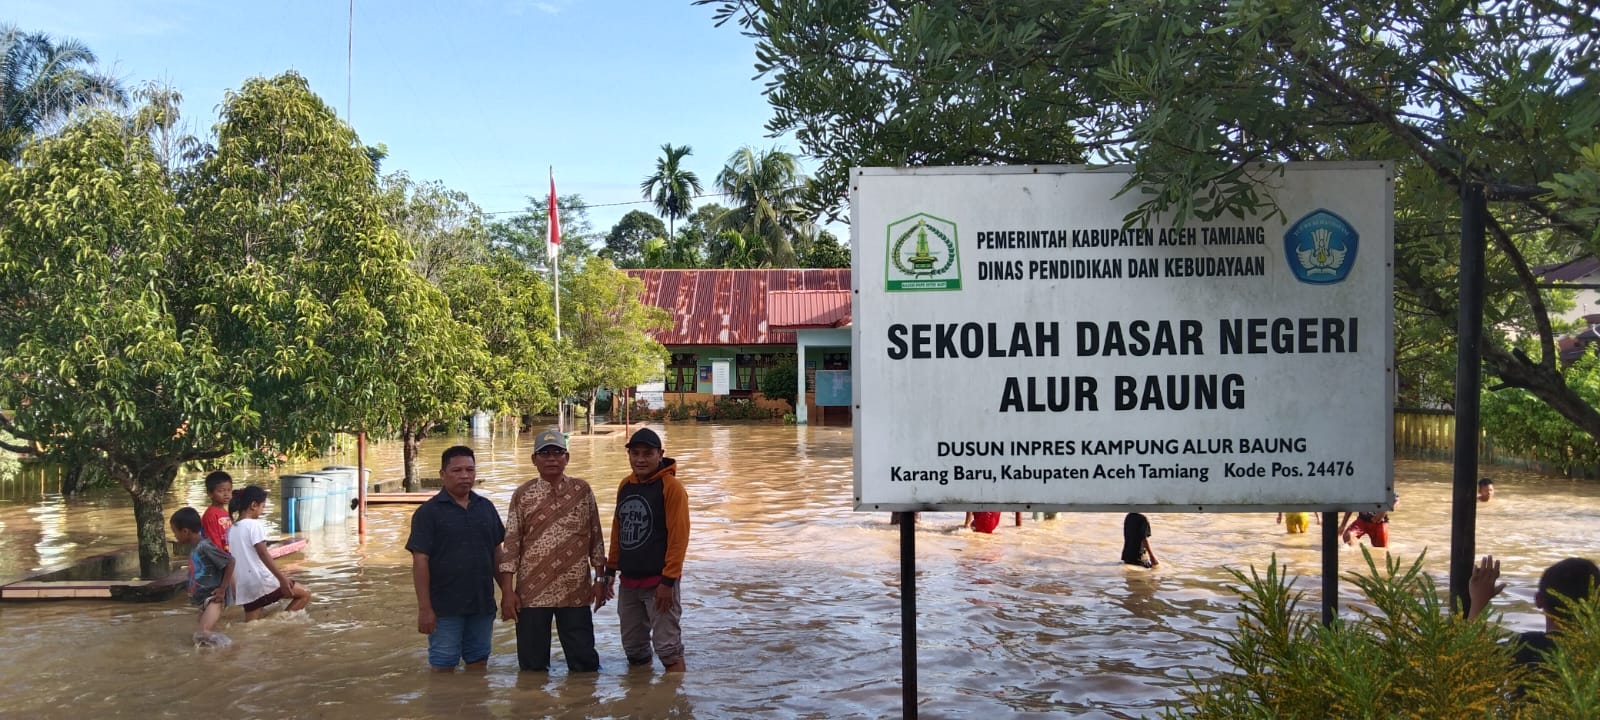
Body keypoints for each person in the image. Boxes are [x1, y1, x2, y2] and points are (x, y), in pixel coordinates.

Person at [497, 428, 607, 673]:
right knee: (532, 669)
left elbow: (596, 539)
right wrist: (507, 591)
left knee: (585, 666)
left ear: (567, 458)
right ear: (534, 460)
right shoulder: (523, 495)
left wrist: (600, 580)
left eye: (557, 453)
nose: (551, 459)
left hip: (575, 591)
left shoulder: (582, 491)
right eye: (544, 453)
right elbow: (511, 544)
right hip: (532, 593)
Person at [407, 445, 506, 672]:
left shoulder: (486, 508)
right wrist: (425, 609)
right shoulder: (428, 513)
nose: (465, 476)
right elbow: (420, 562)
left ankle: (475, 707)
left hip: (482, 604)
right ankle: (444, 707)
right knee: (443, 667)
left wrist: (508, 592)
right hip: (444, 608)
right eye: (457, 470)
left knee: (479, 663)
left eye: (470, 470)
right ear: (442, 474)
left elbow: (497, 553)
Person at [605, 427, 690, 673]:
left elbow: (679, 537)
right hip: (629, 583)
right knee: (634, 648)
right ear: (629, 455)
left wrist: (668, 582)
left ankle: (674, 699)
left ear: (660, 454)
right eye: (635, 453)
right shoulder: (625, 485)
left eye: (647, 454)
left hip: (659, 584)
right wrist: (610, 571)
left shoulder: (671, 487)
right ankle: (642, 700)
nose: (640, 459)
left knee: (668, 649)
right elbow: (618, 529)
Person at [1467, 555, 1600, 666]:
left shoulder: (1527, 647)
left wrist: (1479, 602)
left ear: (1539, 600)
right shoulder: (1593, 654)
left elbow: (1475, 662)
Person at [226, 485, 312, 621]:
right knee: (305, 594)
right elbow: (263, 554)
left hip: (245, 586)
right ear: (254, 505)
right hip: (262, 581)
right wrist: (282, 578)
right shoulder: (254, 525)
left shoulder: (232, 529)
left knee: (252, 626)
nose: (262, 511)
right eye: (262, 507)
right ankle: (278, 623)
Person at [170, 507, 232, 642]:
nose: (174, 536)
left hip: (213, 599)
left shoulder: (205, 546)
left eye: (175, 532)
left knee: (201, 634)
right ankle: (218, 659)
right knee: (202, 638)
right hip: (203, 600)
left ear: (185, 531)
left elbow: (230, 562)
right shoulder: (195, 547)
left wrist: (222, 590)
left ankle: (230, 647)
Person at [201, 470, 234, 552]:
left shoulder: (225, 512)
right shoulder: (210, 515)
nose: (226, 494)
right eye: (221, 491)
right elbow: (213, 542)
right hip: (220, 557)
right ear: (210, 493)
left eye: (229, 490)